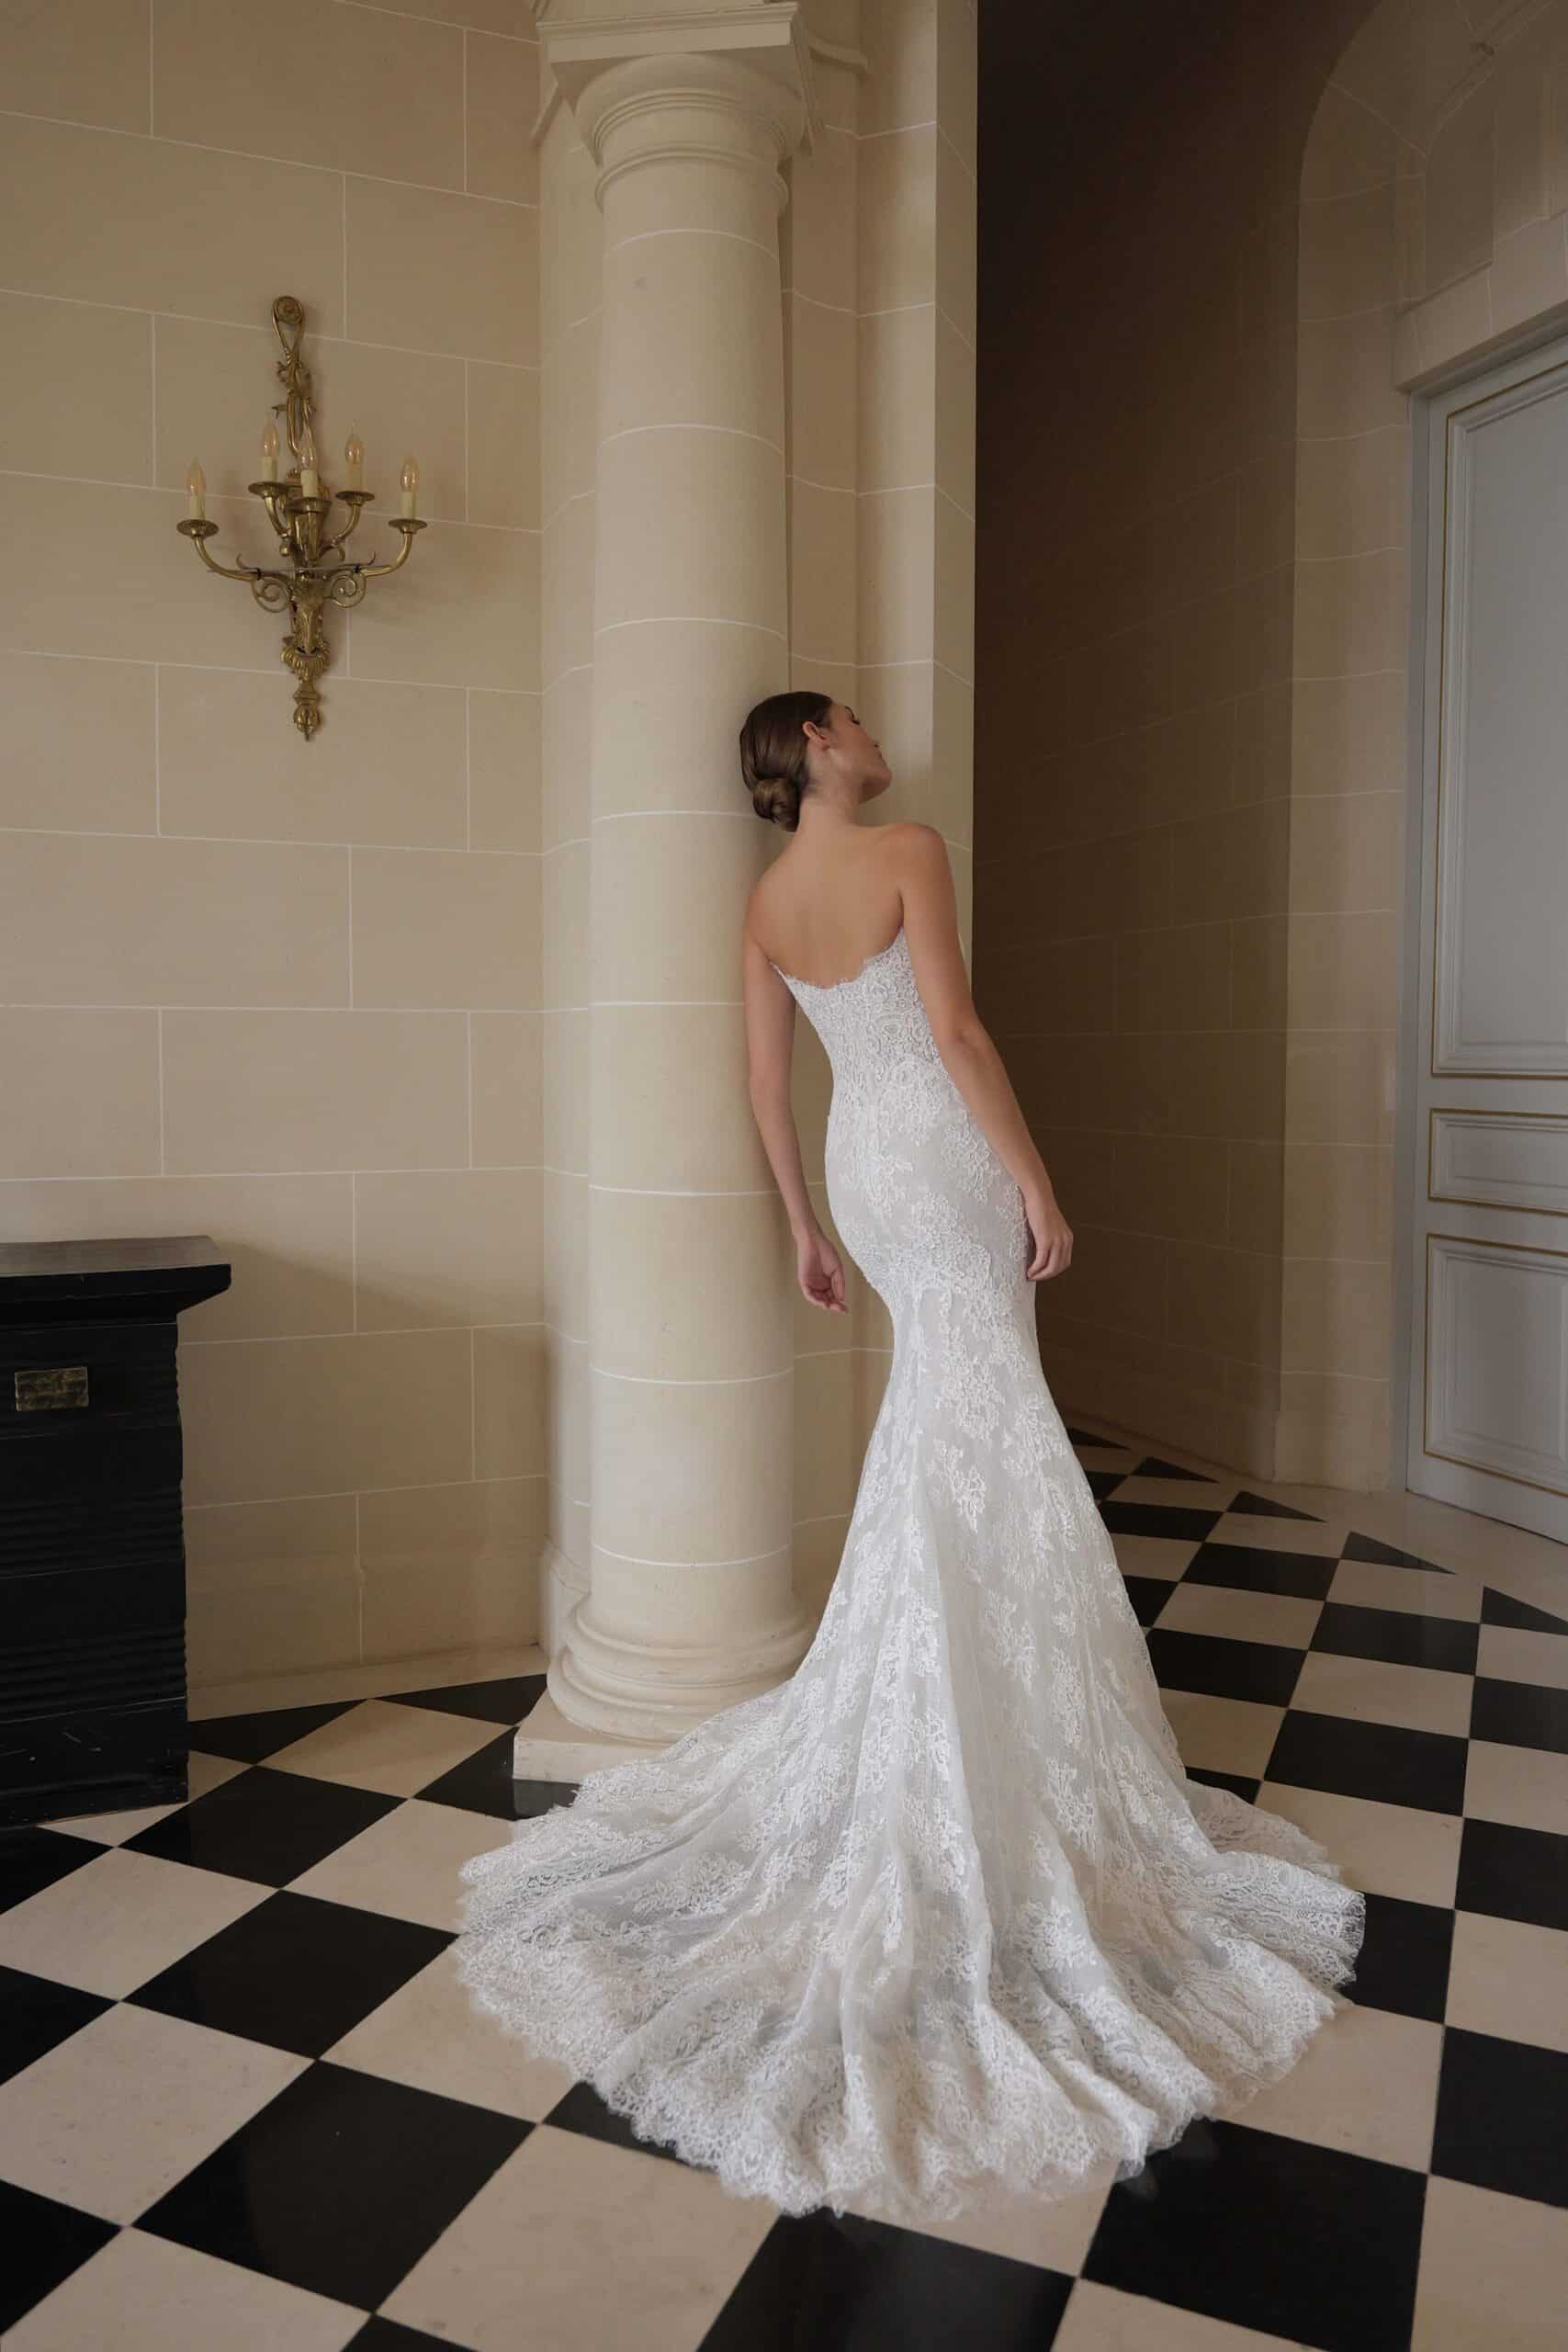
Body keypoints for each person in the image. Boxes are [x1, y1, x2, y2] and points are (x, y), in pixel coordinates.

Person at [453, 689, 1366, 2226]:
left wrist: (808, 1226)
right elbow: (957, 1033)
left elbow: (766, 1085)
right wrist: (1036, 1178)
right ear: (816, 745)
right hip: (941, 1151)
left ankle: (944, 1697)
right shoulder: (907, 849)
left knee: (948, 1423)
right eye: (854, 722)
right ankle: (982, 1716)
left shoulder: (766, 902)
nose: (875, 736)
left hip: (866, 1176)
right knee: (987, 1418)